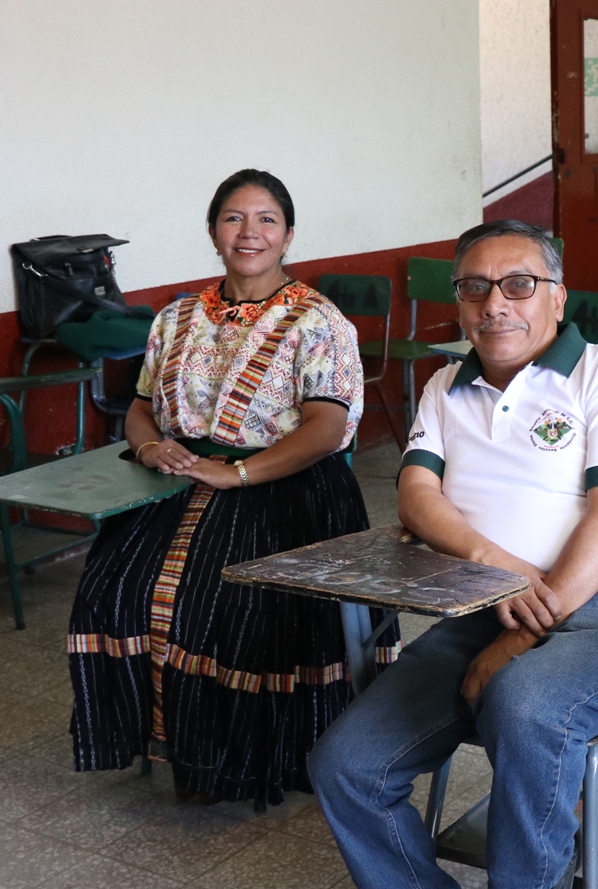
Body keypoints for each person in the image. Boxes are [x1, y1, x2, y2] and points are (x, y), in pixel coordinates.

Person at [308, 219, 598, 889]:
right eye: (474, 288)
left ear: (557, 297)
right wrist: (494, 572)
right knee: (345, 765)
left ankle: (536, 888)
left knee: (523, 700)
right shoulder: (445, 388)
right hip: (479, 606)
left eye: (517, 285)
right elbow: (417, 498)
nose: (494, 304)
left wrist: (520, 634)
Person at [67, 168, 389, 811]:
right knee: (111, 593)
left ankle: (243, 760)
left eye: (266, 219)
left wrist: (238, 472)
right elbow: (139, 406)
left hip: (286, 484)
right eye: (234, 218)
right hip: (183, 479)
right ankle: (161, 741)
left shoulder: (318, 320)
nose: (250, 233)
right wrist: (151, 444)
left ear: (289, 235)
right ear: (213, 232)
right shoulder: (176, 316)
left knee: (228, 612)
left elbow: (328, 429)